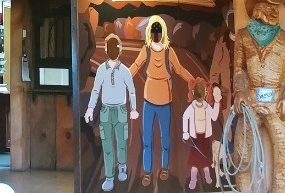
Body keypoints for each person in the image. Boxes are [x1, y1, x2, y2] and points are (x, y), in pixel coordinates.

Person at [232, 0, 285, 193]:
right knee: (241, 156)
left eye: (274, 6)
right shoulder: (242, 37)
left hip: (276, 103)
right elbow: (239, 69)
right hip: (250, 102)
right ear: (257, 8)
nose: (272, 10)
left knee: (283, 155)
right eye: (267, 5)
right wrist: (240, 91)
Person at [129, 15, 195, 186]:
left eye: (158, 30)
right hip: (148, 101)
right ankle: (148, 171)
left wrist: (193, 81)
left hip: (165, 101)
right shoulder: (146, 50)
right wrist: (123, 78)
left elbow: (179, 69)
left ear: (163, 31)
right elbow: (135, 66)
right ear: (150, 32)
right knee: (147, 140)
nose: (156, 33)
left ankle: (165, 168)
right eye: (154, 29)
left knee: (165, 139)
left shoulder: (168, 51)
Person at [84, 33, 139, 191]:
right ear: (107, 50)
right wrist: (90, 108)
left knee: (121, 143)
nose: (113, 50)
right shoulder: (101, 69)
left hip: (120, 110)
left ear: (119, 50)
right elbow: (95, 90)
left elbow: (132, 90)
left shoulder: (125, 71)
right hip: (106, 111)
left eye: (115, 47)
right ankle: (109, 177)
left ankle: (122, 167)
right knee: (107, 146)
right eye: (111, 47)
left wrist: (133, 109)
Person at [181, 78, 222, 190]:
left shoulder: (207, 106)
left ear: (206, 93)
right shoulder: (192, 107)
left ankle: (207, 176)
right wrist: (185, 132)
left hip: (204, 138)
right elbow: (185, 117)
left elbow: (214, 117)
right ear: (193, 92)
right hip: (195, 138)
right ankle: (193, 179)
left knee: (205, 161)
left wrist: (217, 102)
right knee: (195, 163)